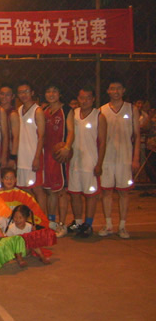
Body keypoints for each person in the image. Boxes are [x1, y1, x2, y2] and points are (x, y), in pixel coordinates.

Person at [98, 78, 141, 239]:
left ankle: (122, 226)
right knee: (106, 192)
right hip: (107, 158)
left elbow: (137, 136)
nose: (115, 91)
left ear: (123, 90)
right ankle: (108, 224)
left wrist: (135, 158)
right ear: (108, 91)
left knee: (124, 192)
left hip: (125, 157)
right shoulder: (102, 110)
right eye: (112, 88)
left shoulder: (131, 109)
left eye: (118, 88)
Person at [68, 87, 107, 238]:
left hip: (90, 162)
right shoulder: (73, 114)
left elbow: (102, 143)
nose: (84, 101)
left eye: (88, 98)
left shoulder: (99, 116)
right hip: (74, 161)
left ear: (93, 99)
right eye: (82, 97)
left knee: (91, 195)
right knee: (75, 194)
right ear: (78, 98)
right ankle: (78, 222)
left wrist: (99, 164)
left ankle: (88, 224)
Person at [42, 83, 74, 238]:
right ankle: (52, 222)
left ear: (60, 93)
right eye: (48, 91)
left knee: (61, 191)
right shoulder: (44, 111)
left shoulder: (66, 110)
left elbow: (71, 131)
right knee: (50, 191)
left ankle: (62, 224)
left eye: (54, 91)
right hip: (46, 154)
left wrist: (67, 147)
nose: (51, 94)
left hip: (59, 155)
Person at [14, 81, 46, 214]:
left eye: (26, 91)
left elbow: (42, 136)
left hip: (33, 156)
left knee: (38, 189)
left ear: (32, 93)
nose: (24, 94)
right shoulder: (18, 110)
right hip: (22, 157)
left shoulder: (37, 111)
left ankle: (43, 220)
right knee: (25, 190)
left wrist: (37, 157)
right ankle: (31, 217)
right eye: (21, 92)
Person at [0, 83, 20, 169]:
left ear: (12, 96)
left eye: (7, 94)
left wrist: (12, 157)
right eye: (2, 94)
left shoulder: (12, 114)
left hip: (7, 153)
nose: (4, 97)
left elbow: (16, 137)